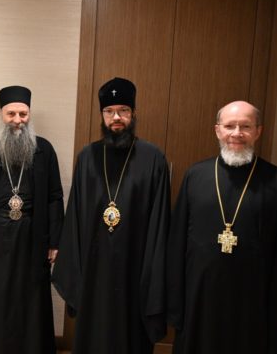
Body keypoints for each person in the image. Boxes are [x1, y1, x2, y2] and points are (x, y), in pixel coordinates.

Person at [167, 101, 277, 354]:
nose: (237, 133)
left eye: (245, 126)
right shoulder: (196, 175)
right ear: (217, 130)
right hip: (200, 301)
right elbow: (176, 243)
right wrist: (174, 303)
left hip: (252, 306)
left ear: (258, 131)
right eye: (230, 126)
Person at [52, 77, 170, 354]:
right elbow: (75, 218)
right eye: (109, 111)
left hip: (135, 268)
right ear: (102, 115)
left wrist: (153, 273)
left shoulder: (153, 158)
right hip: (94, 269)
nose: (116, 117)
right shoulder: (88, 157)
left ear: (133, 113)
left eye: (123, 110)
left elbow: (160, 222)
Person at [0, 85, 64, 354]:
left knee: (31, 298)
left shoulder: (44, 150)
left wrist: (55, 241)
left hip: (33, 234)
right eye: (11, 114)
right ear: (1, 114)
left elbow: (55, 197)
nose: (18, 120)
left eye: (23, 114)